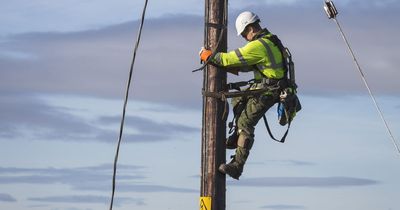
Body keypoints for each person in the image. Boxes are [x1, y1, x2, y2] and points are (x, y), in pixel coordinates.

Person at [199, 11, 289, 180]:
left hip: (268, 91)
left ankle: (237, 166)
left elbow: (231, 58)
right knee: (238, 98)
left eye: (244, 35)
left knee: (246, 122)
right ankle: (236, 136)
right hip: (270, 87)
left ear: (250, 28)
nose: (244, 38)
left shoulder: (258, 45)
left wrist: (209, 56)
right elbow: (253, 64)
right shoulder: (271, 40)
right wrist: (234, 66)